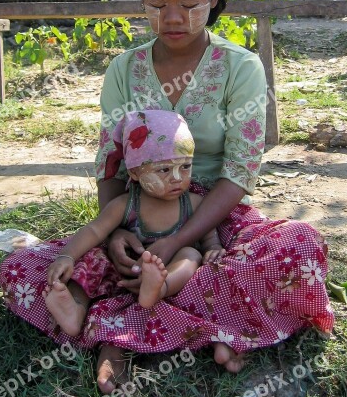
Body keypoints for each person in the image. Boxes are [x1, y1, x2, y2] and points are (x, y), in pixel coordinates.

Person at [0, 0, 334, 396]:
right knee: (25, 268)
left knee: (299, 247)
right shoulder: (123, 70)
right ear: (143, 1)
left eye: (189, 3)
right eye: (157, 4)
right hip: (138, 217)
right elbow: (111, 160)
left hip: (213, 217)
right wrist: (117, 233)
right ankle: (215, 325)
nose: (172, 18)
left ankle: (119, 327)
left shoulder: (241, 68)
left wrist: (179, 239)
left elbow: (239, 170)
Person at [43, 109, 226, 335]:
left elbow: (208, 235)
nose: (177, 178)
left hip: (169, 274)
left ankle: (159, 289)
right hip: (124, 273)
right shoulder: (125, 205)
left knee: (191, 255)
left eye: (185, 166)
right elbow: (94, 230)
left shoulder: (195, 203)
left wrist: (213, 248)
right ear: (136, 172)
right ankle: (76, 311)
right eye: (165, 169)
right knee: (91, 258)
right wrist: (67, 256)